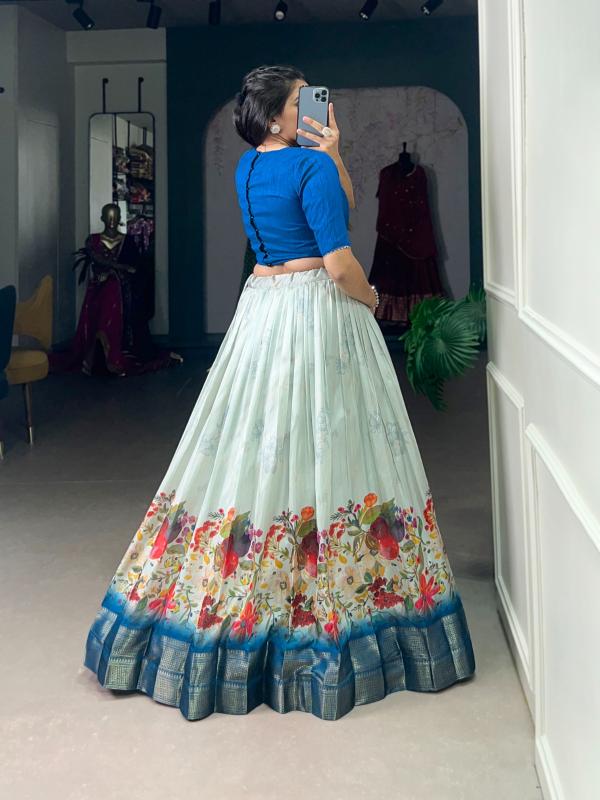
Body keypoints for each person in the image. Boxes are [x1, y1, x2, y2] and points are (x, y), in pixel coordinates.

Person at [83, 65, 476, 721]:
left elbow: (338, 203)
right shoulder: (308, 168)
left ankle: (247, 589)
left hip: (262, 308)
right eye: (300, 102)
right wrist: (373, 299)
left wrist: (335, 153)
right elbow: (340, 263)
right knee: (331, 435)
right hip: (317, 310)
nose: (310, 107)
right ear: (273, 117)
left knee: (259, 442)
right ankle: (329, 593)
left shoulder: (251, 166)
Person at [49, 203, 181, 377]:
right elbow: (97, 259)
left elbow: (136, 267)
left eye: (115, 216)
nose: (112, 220)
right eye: (108, 216)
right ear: (102, 218)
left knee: (114, 292)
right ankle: (95, 354)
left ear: (119, 219)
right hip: (98, 288)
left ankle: (115, 351)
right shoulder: (93, 240)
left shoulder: (127, 241)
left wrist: (121, 273)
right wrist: (118, 267)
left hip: (121, 289)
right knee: (104, 296)